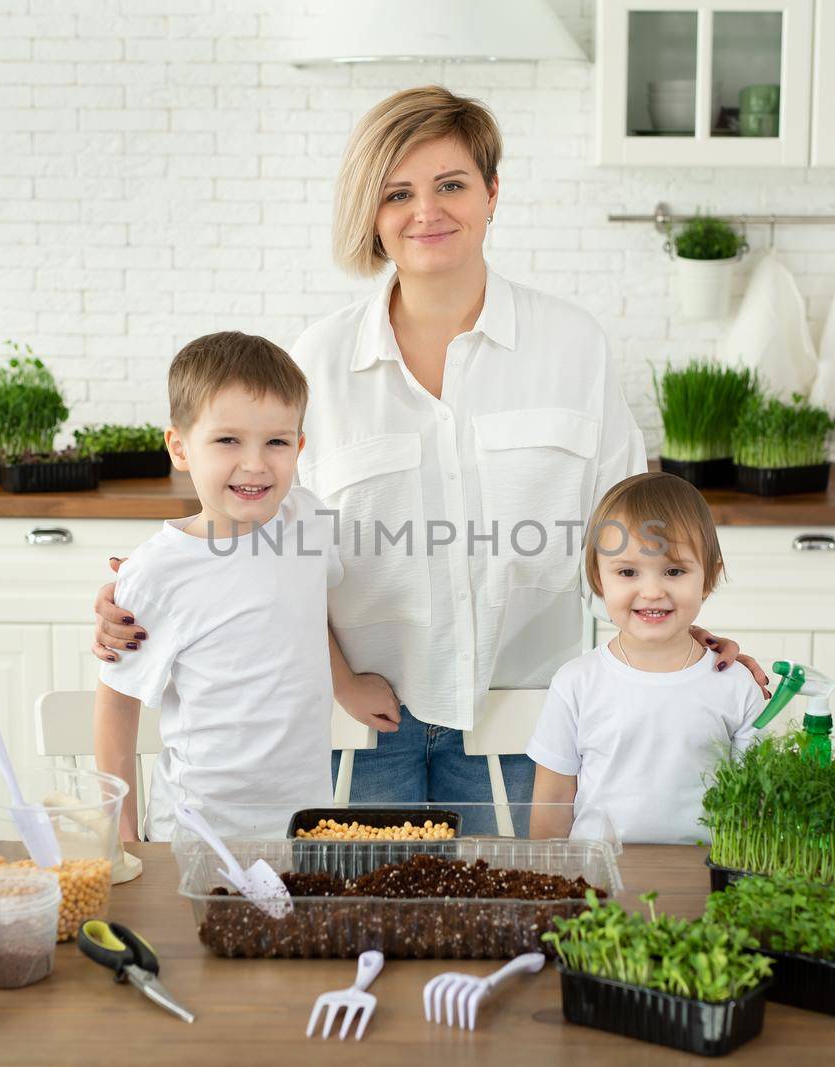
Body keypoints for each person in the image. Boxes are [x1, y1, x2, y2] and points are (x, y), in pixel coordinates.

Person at [91, 86, 768, 811]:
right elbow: (258, 536)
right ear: (371, 214)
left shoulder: (572, 345)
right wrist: (146, 595)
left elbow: (632, 525)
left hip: (532, 715)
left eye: (451, 184)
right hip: (358, 722)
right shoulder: (317, 361)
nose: (427, 211)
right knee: (363, 925)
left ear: (492, 193)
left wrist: (680, 637)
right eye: (397, 193)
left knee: (525, 922)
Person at [91, 332, 340, 841]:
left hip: (304, 831)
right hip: (196, 835)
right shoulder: (158, 571)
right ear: (180, 447)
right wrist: (120, 836)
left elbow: (308, 619)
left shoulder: (308, 520)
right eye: (228, 440)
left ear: (300, 447)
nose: (254, 464)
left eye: (276, 441)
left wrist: (352, 686)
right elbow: (117, 704)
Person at [528, 473, 765, 844]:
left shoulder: (736, 685)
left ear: (708, 577)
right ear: (598, 578)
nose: (652, 591)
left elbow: (757, 809)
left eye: (674, 571)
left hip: (704, 883)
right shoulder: (575, 683)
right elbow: (553, 806)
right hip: (596, 883)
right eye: (627, 572)